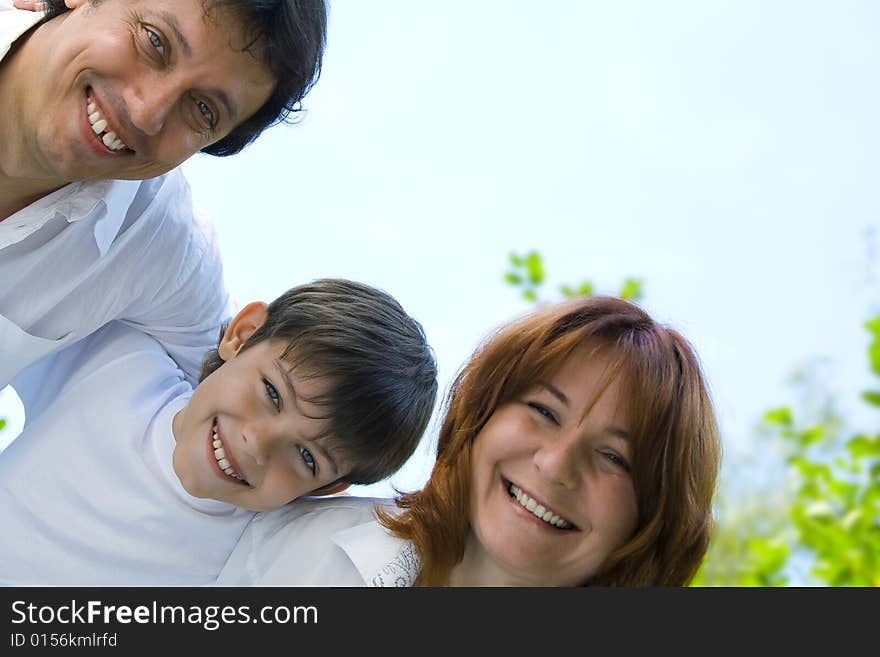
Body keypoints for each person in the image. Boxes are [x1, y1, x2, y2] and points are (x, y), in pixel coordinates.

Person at [215, 295, 722, 587]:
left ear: (653, 517)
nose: (555, 464)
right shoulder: (291, 537)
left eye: (614, 457)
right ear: (479, 417)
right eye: (543, 411)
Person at [0, 279, 439, 586]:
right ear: (242, 335)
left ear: (328, 488)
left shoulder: (253, 551)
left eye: (307, 457)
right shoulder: (118, 362)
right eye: (272, 392)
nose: (257, 443)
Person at [0, 0, 327, 390]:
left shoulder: (154, 239)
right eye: (155, 41)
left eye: (203, 109)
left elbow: (227, 392)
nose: (144, 112)